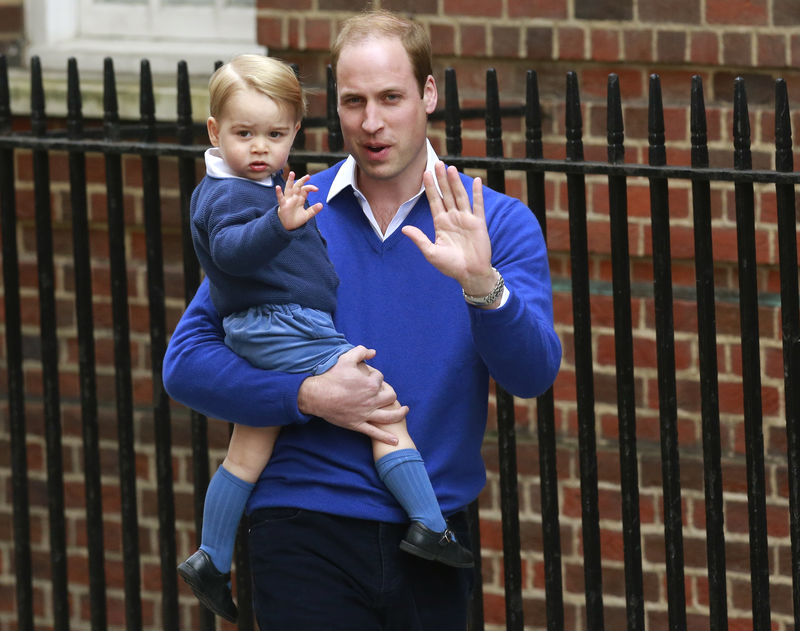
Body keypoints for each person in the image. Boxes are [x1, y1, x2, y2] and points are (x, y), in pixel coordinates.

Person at [163, 9, 561, 631]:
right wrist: (307, 394)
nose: (371, 122)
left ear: (429, 95)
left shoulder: (496, 223)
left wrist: (483, 286)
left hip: (432, 531)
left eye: (391, 98)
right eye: (353, 101)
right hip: (302, 526)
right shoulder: (289, 213)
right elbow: (185, 364)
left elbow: (533, 374)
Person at [175, 53, 473, 623]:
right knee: (380, 406)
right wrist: (279, 223)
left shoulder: (260, 188)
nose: (260, 148)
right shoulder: (236, 194)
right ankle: (432, 527)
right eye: (244, 133)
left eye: (275, 134)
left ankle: (211, 558)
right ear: (215, 133)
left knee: (247, 452)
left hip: (273, 324)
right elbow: (230, 256)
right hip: (287, 326)